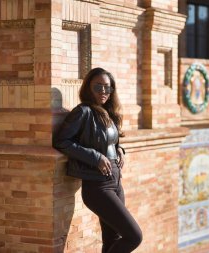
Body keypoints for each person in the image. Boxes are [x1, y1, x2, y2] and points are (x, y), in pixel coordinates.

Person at [53, 67, 143, 253]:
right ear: (88, 88)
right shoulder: (83, 112)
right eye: (98, 87)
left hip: (116, 183)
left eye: (108, 88)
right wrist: (95, 157)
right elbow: (62, 141)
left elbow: (107, 142)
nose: (104, 91)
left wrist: (119, 150)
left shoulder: (107, 112)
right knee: (133, 236)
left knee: (113, 238)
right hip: (97, 187)